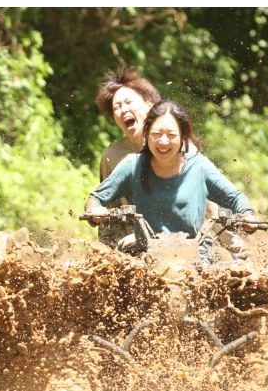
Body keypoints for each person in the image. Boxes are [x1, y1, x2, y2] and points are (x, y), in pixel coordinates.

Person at [93, 67, 245, 255]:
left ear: (149, 104)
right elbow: (107, 207)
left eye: (128, 102)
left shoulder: (185, 149)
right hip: (141, 237)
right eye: (117, 107)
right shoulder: (114, 156)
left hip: (188, 233)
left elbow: (207, 201)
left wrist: (226, 235)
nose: (123, 109)